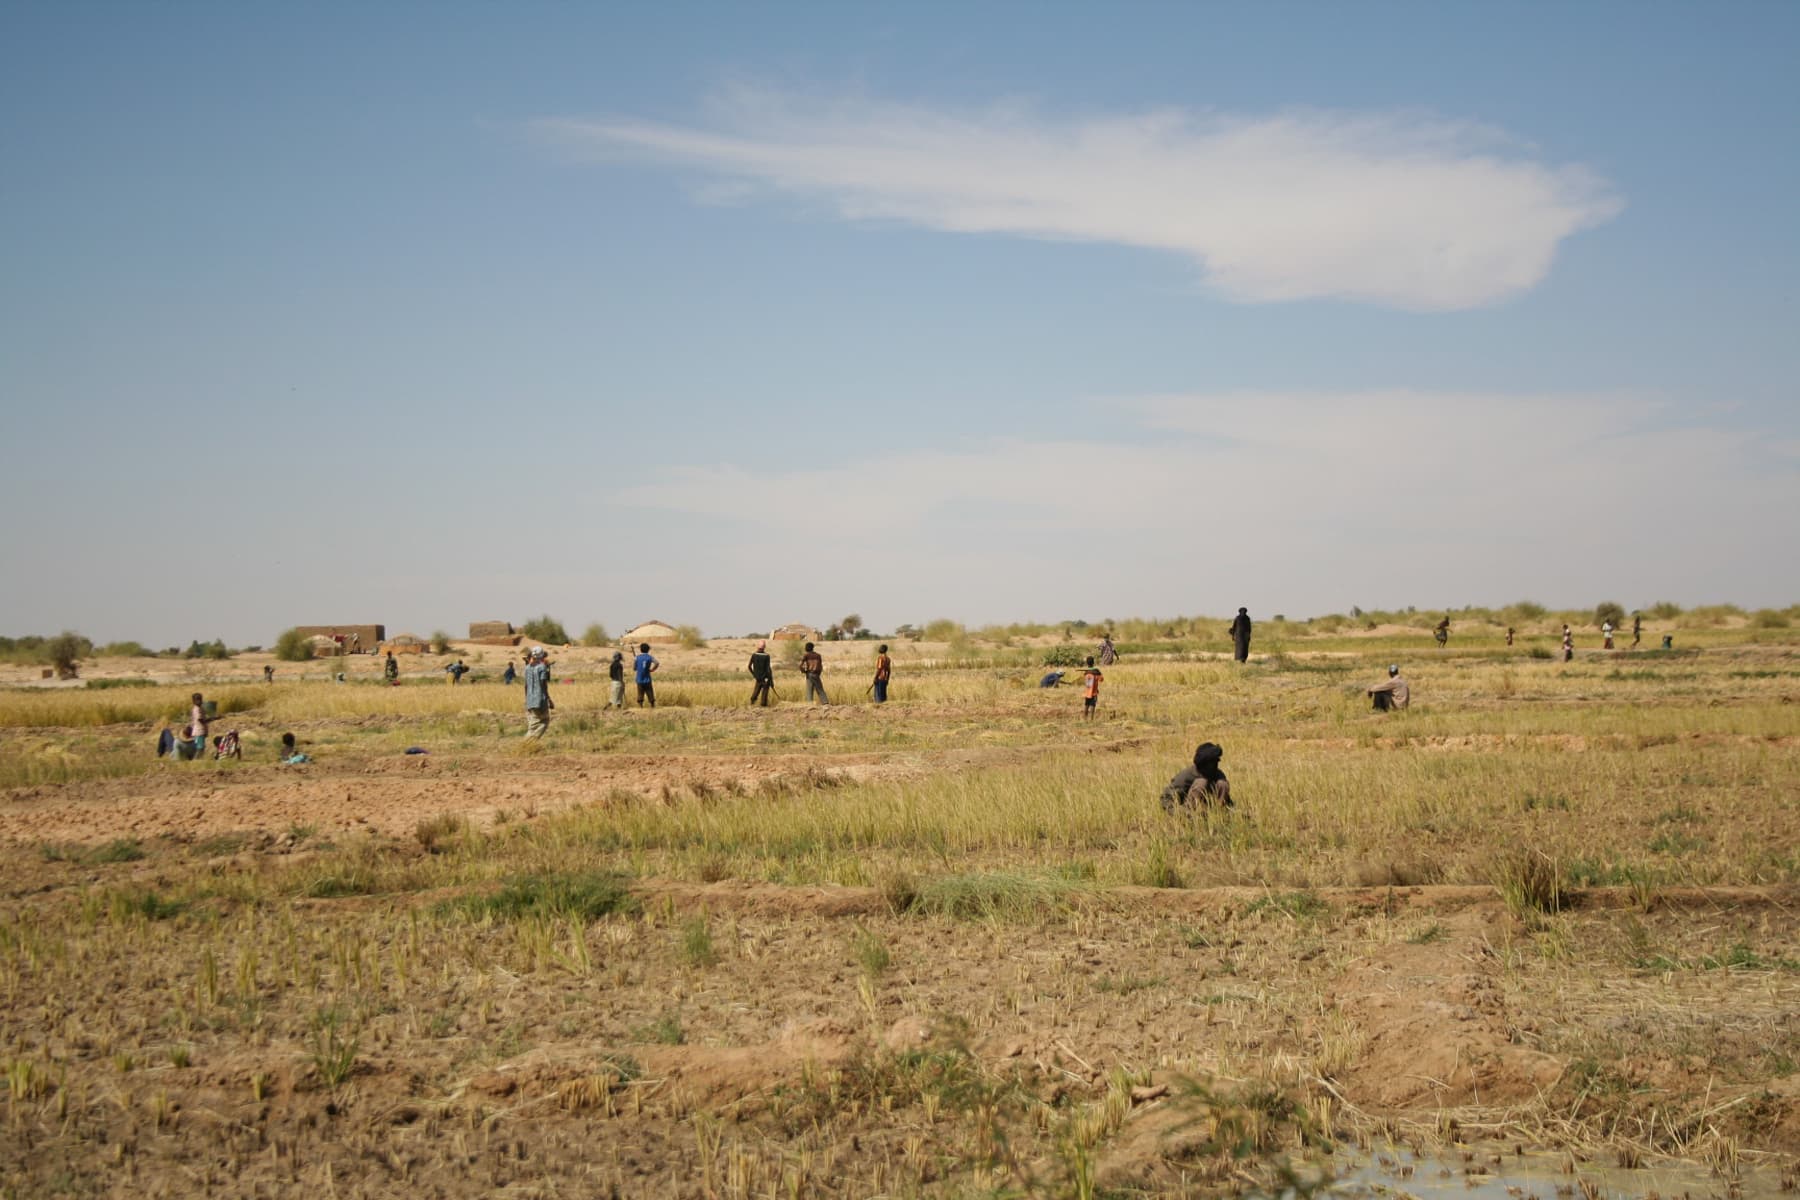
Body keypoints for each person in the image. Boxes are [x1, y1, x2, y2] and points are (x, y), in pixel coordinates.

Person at [1160, 742, 1232, 813]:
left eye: (1216, 761)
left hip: (1212, 810)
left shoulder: (1218, 774)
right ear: (1204, 763)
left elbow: (1226, 797)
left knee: (1223, 783)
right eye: (1212, 762)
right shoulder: (1186, 775)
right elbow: (1166, 799)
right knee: (1201, 783)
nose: (1215, 764)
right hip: (1189, 812)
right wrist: (1180, 812)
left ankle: (1220, 813)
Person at [523, 647, 553, 738]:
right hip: (540, 700)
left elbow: (526, 685)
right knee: (545, 721)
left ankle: (527, 745)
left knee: (532, 725)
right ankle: (528, 743)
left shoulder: (527, 668)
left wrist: (527, 699)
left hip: (530, 701)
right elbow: (543, 684)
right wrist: (549, 699)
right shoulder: (542, 667)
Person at [748, 640, 774, 707]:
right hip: (765, 678)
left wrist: (754, 674)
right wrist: (770, 679)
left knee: (756, 691)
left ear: (757, 646)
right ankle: (763, 706)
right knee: (764, 692)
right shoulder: (767, 656)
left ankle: (752, 704)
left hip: (758, 678)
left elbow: (749, 666)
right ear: (764, 647)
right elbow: (768, 668)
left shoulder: (754, 655)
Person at [633, 642, 659, 707]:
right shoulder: (650, 657)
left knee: (640, 693)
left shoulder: (637, 658)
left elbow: (634, 668)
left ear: (640, 649)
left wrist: (637, 667)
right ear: (648, 650)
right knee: (650, 692)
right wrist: (652, 669)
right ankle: (652, 705)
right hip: (647, 679)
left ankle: (640, 706)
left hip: (639, 679)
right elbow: (657, 663)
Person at [189, 693, 212, 758]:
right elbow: (200, 720)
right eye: (197, 700)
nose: (199, 701)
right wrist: (210, 719)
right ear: (193, 701)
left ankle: (198, 758)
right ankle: (197, 759)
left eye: (200, 699)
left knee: (201, 746)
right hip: (199, 731)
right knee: (200, 747)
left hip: (201, 730)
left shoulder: (200, 708)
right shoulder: (197, 709)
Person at [1081, 656, 1103, 720]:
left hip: (1087, 692)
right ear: (1093, 662)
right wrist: (1099, 673)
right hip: (1094, 692)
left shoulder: (1086, 672)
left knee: (1086, 705)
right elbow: (1101, 679)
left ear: (1087, 663)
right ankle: (1091, 719)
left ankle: (1085, 718)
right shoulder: (1096, 672)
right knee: (1093, 705)